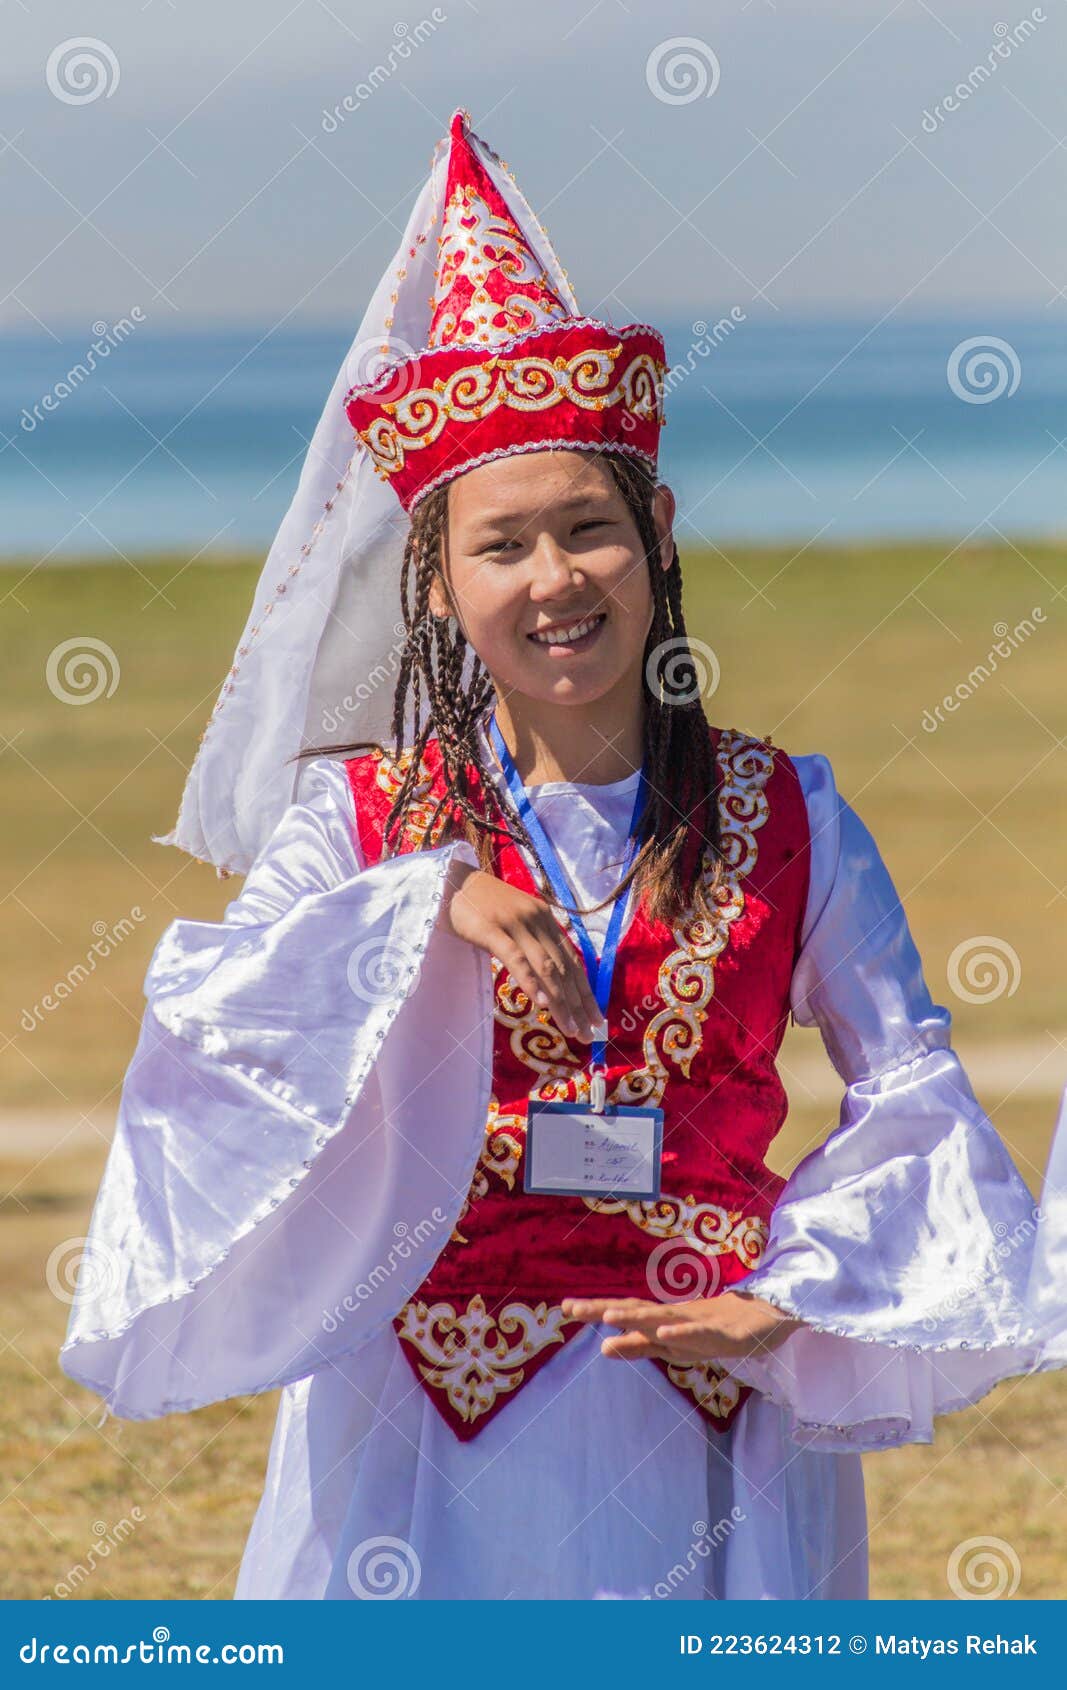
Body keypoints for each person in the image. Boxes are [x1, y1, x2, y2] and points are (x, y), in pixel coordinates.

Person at [60, 108, 1045, 1602]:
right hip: (418, 1419)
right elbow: (213, 1016)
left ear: (655, 530)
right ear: (439, 589)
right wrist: (422, 900)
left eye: (587, 528)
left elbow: (909, 1077)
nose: (554, 579)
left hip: (706, 1412)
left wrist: (788, 1300)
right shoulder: (365, 824)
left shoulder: (787, 813)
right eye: (501, 546)